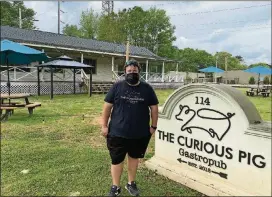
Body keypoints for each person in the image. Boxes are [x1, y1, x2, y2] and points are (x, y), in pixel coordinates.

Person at [101, 59, 159, 196]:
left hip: (139, 133)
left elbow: (154, 108)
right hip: (117, 132)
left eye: (134, 71)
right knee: (117, 160)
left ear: (139, 72)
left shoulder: (147, 89)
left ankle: (131, 183)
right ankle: (115, 186)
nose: (132, 73)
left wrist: (153, 126)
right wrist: (104, 125)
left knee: (134, 159)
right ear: (125, 72)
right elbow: (107, 107)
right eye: (129, 71)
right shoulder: (117, 87)